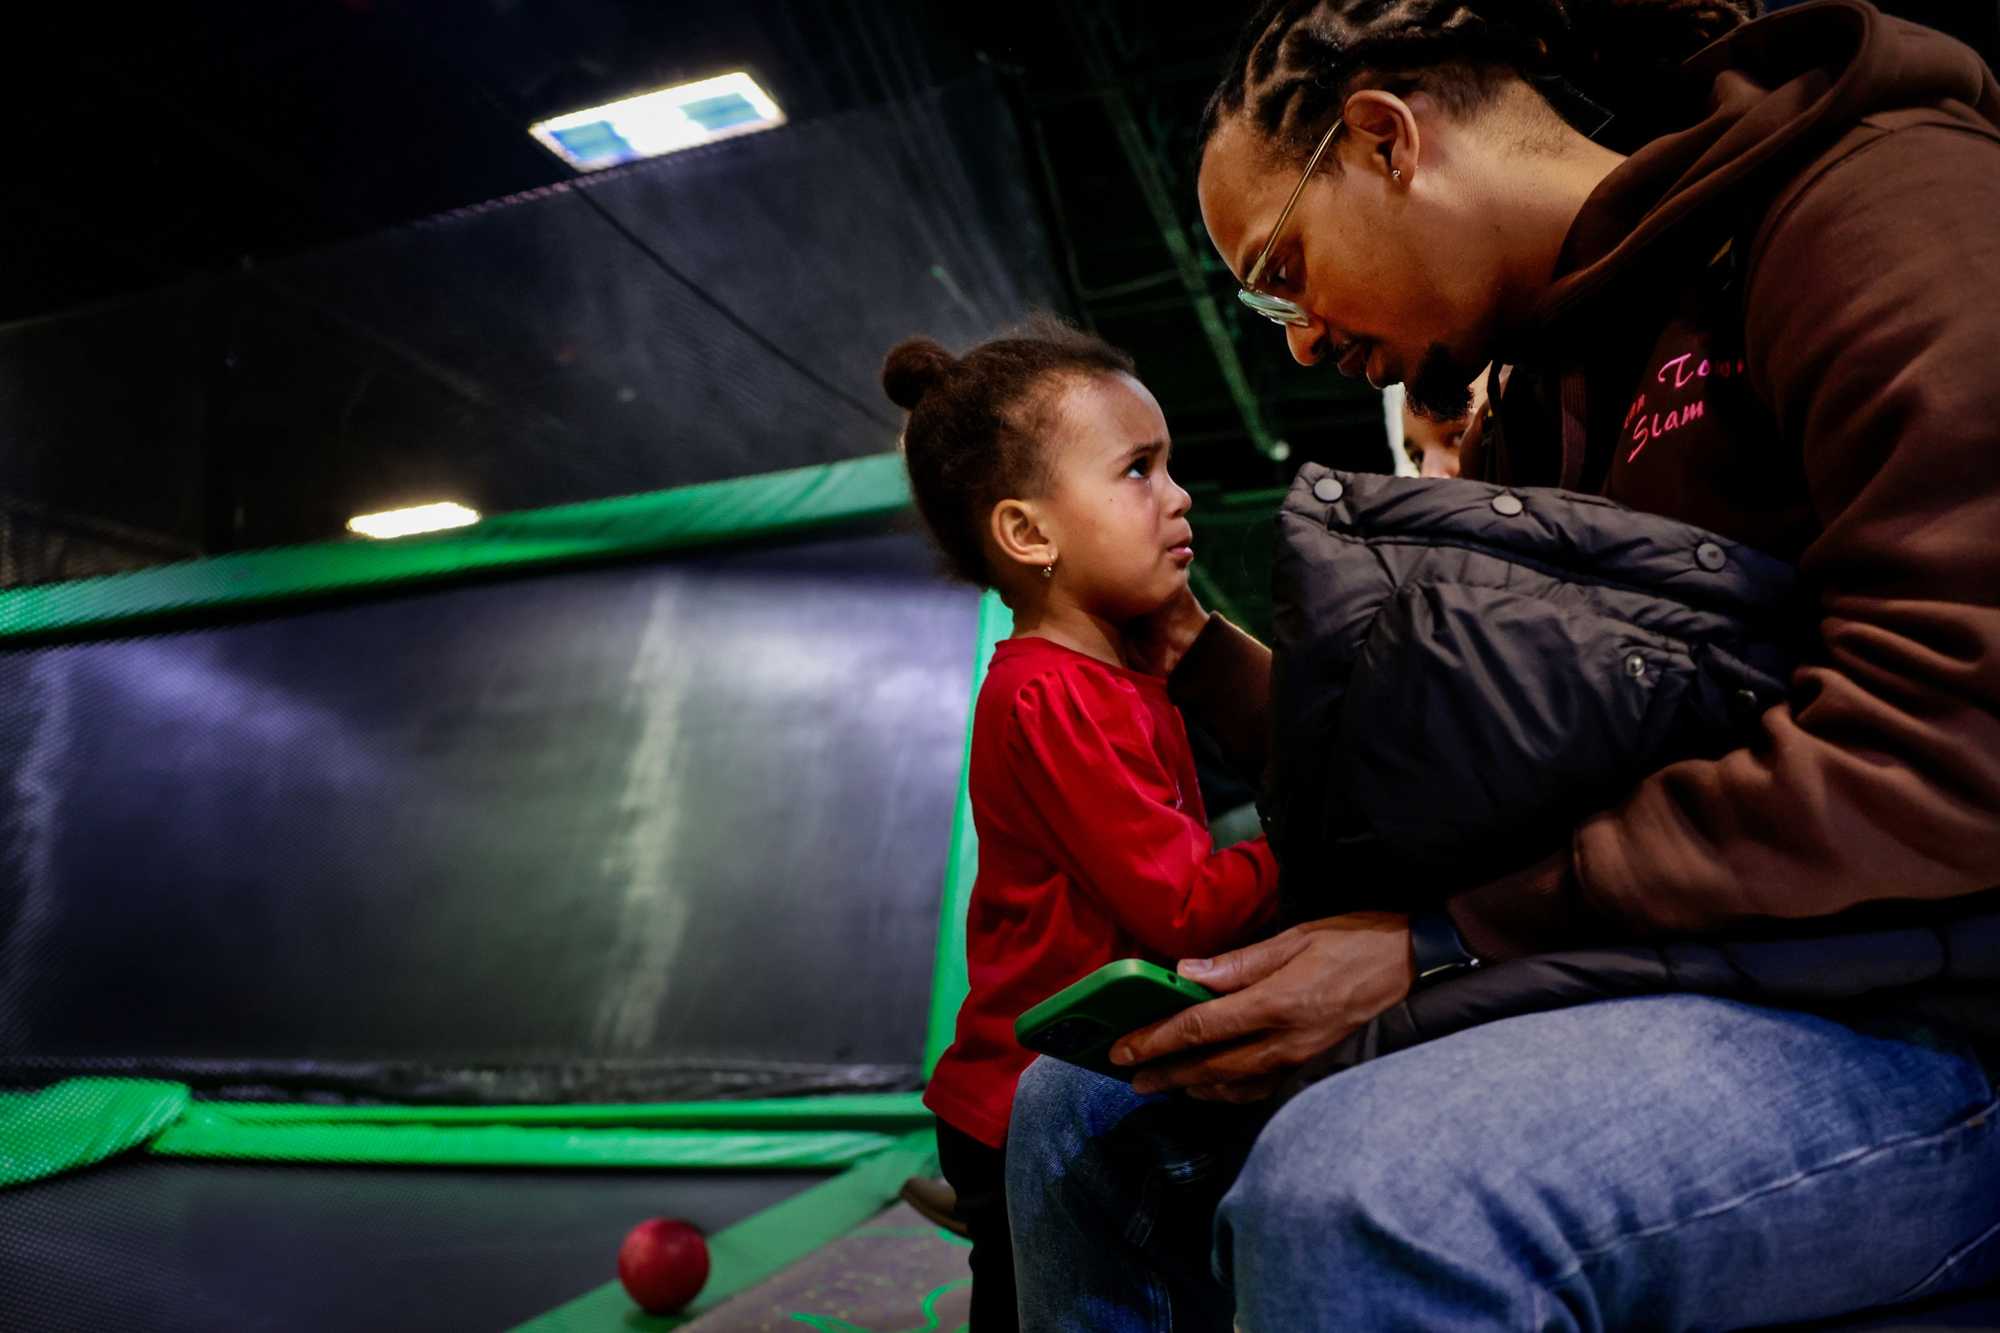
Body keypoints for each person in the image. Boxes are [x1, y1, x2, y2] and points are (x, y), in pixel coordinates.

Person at [1006, 2, 2000, 1329]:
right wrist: (1189, 651)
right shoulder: (1549, 398)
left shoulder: (1873, 201)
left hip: (1927, 1002)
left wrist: (1449, 946)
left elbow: (1956, 730)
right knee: (1088, 1103)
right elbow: (1491, 770)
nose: (1294, 338)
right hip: (1706, 957)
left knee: (1366, 1190)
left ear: (1385, 141)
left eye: (1281, 269)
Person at [882, 321, 1281, 1329]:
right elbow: (1183, 904)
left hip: (1067, 1082)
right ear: (1027, 534)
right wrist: (1304, 852)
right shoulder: (1052, 696)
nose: (1178, 493)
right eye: (1137, 471)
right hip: (1028, 1100)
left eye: (1169, 465)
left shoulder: (1115, 672)